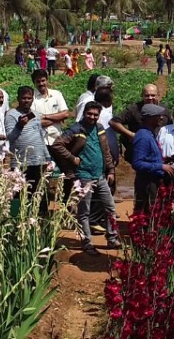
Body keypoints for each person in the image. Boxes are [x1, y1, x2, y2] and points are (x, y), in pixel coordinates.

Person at [51, 101, 120, 255]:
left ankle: (112, 237)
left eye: (96, 114)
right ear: (84, 113)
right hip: (83, 176)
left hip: (100, 175)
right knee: (84, 212)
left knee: (110, 209)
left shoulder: (99, 129)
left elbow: (106, 150)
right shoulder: (76, 129)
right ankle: (87, 242)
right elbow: (57, 145)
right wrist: (72, 158)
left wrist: (111, 170)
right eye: (90, 114)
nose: (92, 117)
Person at [7, 86, 52, 213]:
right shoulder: (11, 115)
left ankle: (39, 223)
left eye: (29, 98)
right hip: (21, 162)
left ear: (32, 99)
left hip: (38, 160)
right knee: (20, 194)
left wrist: (47, 157)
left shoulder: (35, 115)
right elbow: (10, 137)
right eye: (23, 98)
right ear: (18, 99)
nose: (26, 100)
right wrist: (19, 125)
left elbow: (40, 137)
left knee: (39, 193)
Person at [130, 103, 174, 212]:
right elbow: (137, 163)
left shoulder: (149, 134)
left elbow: (148, 157)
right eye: (158, 115)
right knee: (148, 213)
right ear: (149, 118)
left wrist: (162, 159)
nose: (161, 118)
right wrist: (160, 166)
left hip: (152, 181)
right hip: (147, 184)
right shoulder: (143, 136)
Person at [112, 83, 163, 161]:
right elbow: (113, 122)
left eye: (153, 95)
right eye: (147, 95)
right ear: (142, 96)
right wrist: (131, 135)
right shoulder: (133, 109)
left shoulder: (164, 110)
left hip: (158, 152)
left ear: (158, 95)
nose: (150, 98)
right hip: (139, 151)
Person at [31, 69, 70, 148]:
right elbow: (35, 123)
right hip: (40, 141)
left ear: (47, 80)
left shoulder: (56, 94)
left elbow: (65, 114)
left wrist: (45, 116)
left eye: (43, 80)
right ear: (34, 82)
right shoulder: (31, 98)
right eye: (38, 81)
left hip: (57, 139)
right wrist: (58, 118)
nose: (41, 83)